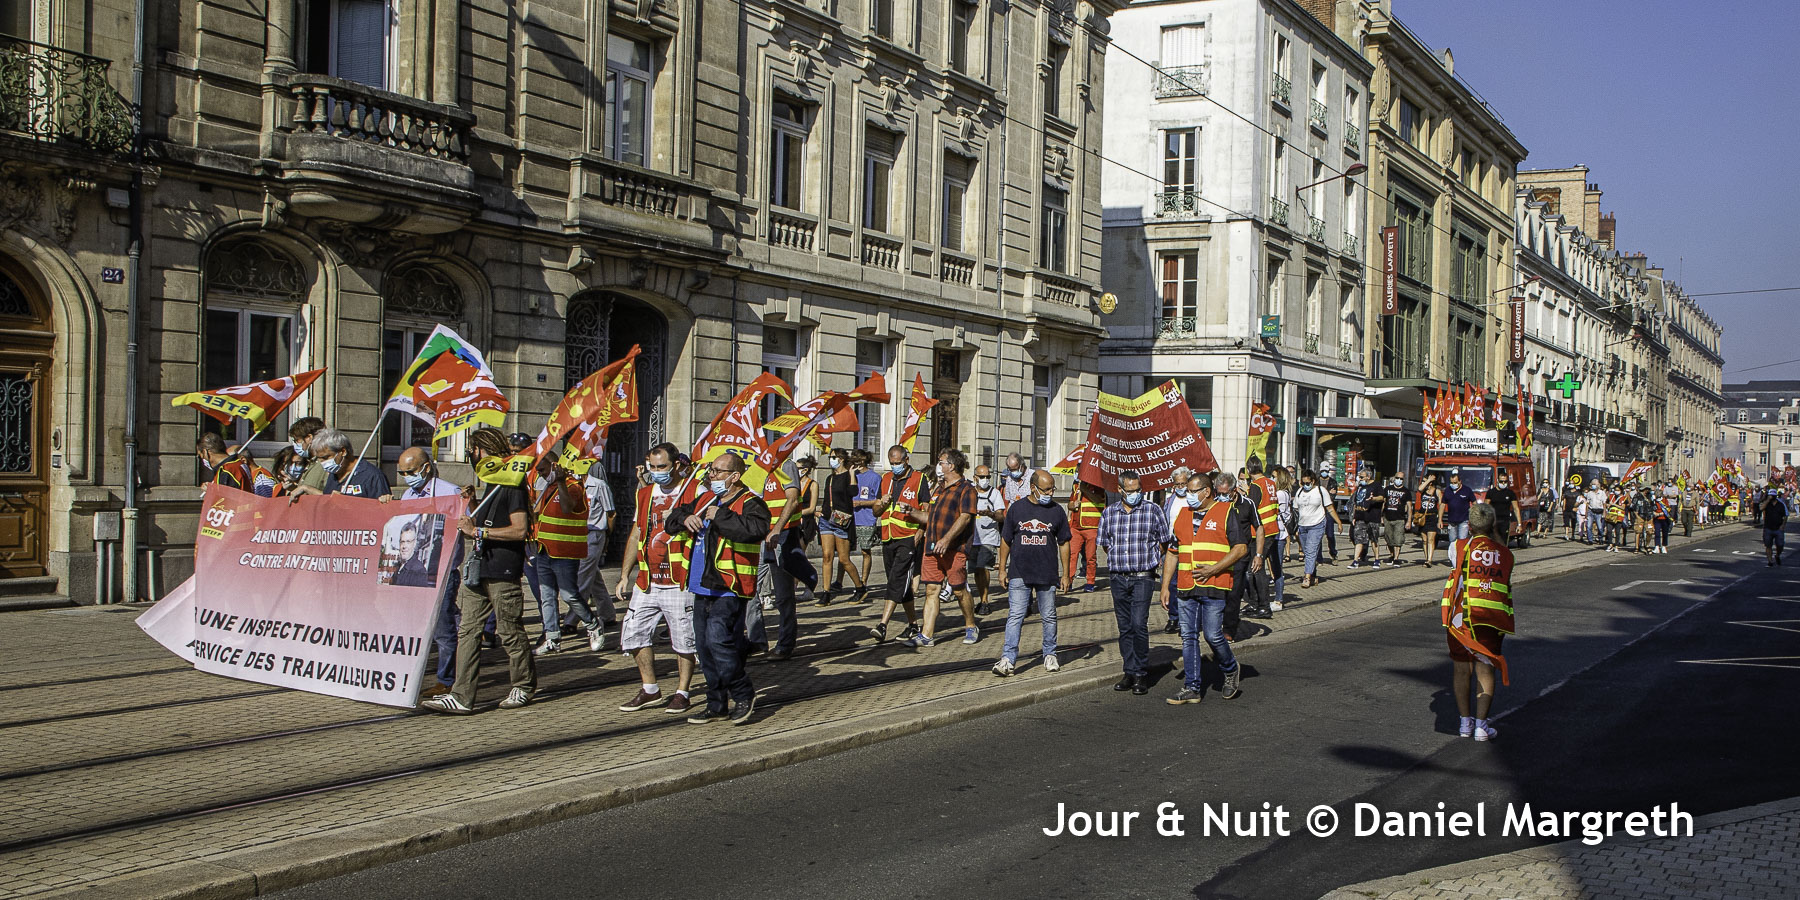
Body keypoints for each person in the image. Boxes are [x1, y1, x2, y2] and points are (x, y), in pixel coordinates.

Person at [423, 427, 536, 714]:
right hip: (478, 569)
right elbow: (484, 523)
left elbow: (519, 530)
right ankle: (462, 695)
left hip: (502, 570)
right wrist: (472, 504)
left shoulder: (511, 485)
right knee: (468, 631)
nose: (470, 457)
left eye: (471, 451)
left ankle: (523, 685)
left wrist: (477, 532)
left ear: (483, 451)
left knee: (509, 631)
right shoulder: (490, 486)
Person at [664, 452, 771, 725]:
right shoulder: (705, 500)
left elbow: (755, 530)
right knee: (704, 649)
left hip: (730, 587)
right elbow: (672, 519)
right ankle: (716, 704)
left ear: (734, 476)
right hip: (701, 586)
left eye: (718, 471)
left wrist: (720, 515)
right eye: (711, 470)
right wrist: (685, 519)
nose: (711, 476)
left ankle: (743, 693)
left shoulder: (750, 502)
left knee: (718, 641)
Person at [613, 443, 698, 715]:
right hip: (648, 580)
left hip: (679, 579)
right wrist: (625, 574)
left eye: (662, 466)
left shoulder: (693, 490)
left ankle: (682, 692)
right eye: (652, 466)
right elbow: (637, 532)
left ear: (676, 465)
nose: (656, 471)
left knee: (684, 639)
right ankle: (650, 688)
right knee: (633, 633)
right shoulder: (645, 493)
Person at [1161, 470, 1248, 705]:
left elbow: (1241, 548)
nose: (1187, 494)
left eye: (1192, 491)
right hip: (1186, 585)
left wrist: (1214, 569)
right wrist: (1165, 585)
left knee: (1212, 635)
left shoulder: (1226, 512)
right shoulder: (1183, 515)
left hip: (1214, 584)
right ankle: (1192, 687)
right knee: (1188, 637)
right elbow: (1173, 552)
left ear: (1206, 491)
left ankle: (1230, 668)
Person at [389, 447, 467, 700]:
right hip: (415, 576)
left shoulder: (450, 492)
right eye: (402, 473)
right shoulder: (409, 494)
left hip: (443, 573)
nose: (406, 477)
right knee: (412, 626)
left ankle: (446, 681)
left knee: (443, 630)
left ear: (425, 468)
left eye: (410, 471)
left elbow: (467, 525)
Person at [1441, 503, 1514, 743]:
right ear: (1492, 525)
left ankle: (1465, 723)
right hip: (1489, 618)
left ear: (1469, 526)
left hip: (1460, 618)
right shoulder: (1505, 554)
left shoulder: (1457, 547)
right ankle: (1481, 726)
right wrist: (1494, 533)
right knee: (1485, 668)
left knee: (1461, 668)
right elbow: (1505, 562)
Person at [1095, 470, 1169, 693]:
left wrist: (1151, 559)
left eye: (1138, 490)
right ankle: (1129, 670)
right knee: (1124, 626)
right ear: (1120, 490)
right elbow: (1105, 544)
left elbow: (1164, 541)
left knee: (1138, 624)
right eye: (1130, 490)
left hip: (1143, 576)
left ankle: (1140, 673)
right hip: (1118, 577)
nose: (1135, 494)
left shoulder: (1153, 510)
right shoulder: (1109, 513)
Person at [992, 469, 1071, 676]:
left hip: (1047, 573)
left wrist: (1066, 574)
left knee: (1049, 616)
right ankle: (1008, 659)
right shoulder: (1017, 509)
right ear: (1033, 488)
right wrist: (1002, 569)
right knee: (1015, 615)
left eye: (1052, 489)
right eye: (1046, 490)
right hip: (1019, 572)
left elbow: (1064, 543)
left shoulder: (1057, 511)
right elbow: (1006, 540)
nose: (1050, 493)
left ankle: (1050, 654)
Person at [526, 454, 604, 656]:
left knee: (569, 595)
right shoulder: (548, 488)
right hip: (544, 550)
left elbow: (567, 508)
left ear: (554, 466)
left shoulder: (573, 486)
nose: (541, 475)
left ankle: (593, 625)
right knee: (547, 596)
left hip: (565, 553)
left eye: (543, 470)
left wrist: (561, 481)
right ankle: (552, 637)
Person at [907, 448, 980, 647]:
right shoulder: (939, 489)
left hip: (955, 548)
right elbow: (929, 517)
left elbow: (965, 518)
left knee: (958, 590)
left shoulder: (966, 489)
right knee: (931, 589)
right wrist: (912, 512)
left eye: (941, 462)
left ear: (952, 466)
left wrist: (947, 540)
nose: (938, 466)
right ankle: (926, 635)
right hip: (932, 547)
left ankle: (971, 625)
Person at [872, 445, 929, 643]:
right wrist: (881, 503)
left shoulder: (919, 479)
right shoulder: (886, 479)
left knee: (896, 580)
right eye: (891, 463)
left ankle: (882, 624)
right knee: (899, 583)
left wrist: (920, 532)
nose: (894, 466)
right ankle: (913, 625)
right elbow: (876, 512)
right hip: (888, 537)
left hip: (908, 538)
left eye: (897, 463)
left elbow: (927, 511)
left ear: (906, 460)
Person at [1221, 471, 1269, 638]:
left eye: (1225, 493)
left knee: (1234, 593)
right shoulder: (1216, 504)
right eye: (1219, 493)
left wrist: (1259, 555)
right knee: (1220, 593)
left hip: (1241, 555)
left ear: (1234, 490)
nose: (1222, 497)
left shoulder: (1248, 504)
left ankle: (1229, 629)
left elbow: (1259, 528)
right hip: (1221, 555)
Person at [576, 459, 619, 633]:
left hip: (594, 534)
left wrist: (607, 537)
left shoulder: (599, 485)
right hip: (578, 535)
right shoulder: (574, 486)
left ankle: (572, 619)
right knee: (594, 577)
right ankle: (608, 614)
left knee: (582, 578)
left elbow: (611, 513)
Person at [816, 448, 863, 605]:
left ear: (841, 459)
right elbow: (827, 499)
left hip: (841, 521)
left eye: (833, 457)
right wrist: (819, 512)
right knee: (827, 556)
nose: (831, 460)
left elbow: (853, 492)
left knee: (844, 559)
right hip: (826, 520)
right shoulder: (830, 478)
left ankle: (860, 587)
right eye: (830, 457)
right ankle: (826, 592)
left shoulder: (848, 476)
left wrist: (852, 474)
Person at [1245, 458, 1284, 613]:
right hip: (1272, 528)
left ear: (1249, 470)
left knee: (1255, 568)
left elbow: (1251, 508)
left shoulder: (1256, 485)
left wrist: (1245, 493)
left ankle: (1261, 605)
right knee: (1256, 568)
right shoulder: (1270, 483)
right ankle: (1257, 603)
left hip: (1259, 531)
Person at [969, 464, 1008, 616]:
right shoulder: (970, 492)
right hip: (973, 537)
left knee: (983, 567)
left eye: (988, 477)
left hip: (989, 538)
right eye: (982, 477)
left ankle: (985, 601)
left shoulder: (994, 493)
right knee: (976, 570)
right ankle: (981, 598)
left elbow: (1001, 516)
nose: (985, 480)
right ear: (975, 478)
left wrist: (990, 514)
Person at [1293, 468, 1340, 589]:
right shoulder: (1300, 492)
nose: (1305, 485)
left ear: (1313, 481)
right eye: (1303, 483)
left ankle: (1307, 577)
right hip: (1303, 525)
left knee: (1310, 550)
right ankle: (1313, 575)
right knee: (1308, 552)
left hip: (1317, 524)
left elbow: (1330, 508)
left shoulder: (1321, 491)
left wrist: (1339, 522)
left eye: (1307, 483)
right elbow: (1296, 509)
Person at [311, 427, 390, 499]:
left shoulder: (372, 476)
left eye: (326, 457)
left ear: (343, 451)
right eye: (319, 459)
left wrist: (347, 502)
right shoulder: (334, 473)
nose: (323, 463)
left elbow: (381, 508)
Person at [1064, 481, 1105, 593]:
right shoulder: (1076, 486)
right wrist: (1073, 505)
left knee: (1090, 556)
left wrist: (1084, 489)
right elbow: (1069, 504)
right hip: (1075, 527)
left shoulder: (1099, 486)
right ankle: (1068, 580)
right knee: (1071, 555)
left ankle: (1090, 582)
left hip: (1091, 526)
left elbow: (1098, 499)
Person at [851, 450, 882, 590]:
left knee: (865, 551)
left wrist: (861, 503)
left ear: (864, 460)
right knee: (844, 553)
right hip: (850, 519)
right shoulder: (852, 475)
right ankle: (839, 580)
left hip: (866, 519)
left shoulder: (874, 477)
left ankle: (864, 581)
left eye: (858, 459)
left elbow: (878, 500)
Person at [1347, 469, 1386, 569]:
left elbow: (1382, 498)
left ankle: (1376, 559)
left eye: (1361, 477)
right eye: (1359, 477)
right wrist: (1355, 516)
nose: (1359, 479)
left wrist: (1374, 499)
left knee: (1374, 539)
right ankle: (1355, 561)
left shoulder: (1376, 485)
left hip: (1372, 516)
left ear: (1368, 477)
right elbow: (1356, 502)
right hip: (1360, 516)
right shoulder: (1360, 486)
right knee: (1358, 539)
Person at [286, 416, 329, 496]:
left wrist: (306, 489)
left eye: (297, 440)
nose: (296, 444)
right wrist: (294, 488)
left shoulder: (327, 464)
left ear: (309, 438)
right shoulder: (311, 462)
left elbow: (332, 497)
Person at [1441, 471, 1476, 562]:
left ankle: (1461, 560)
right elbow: (1442, 505)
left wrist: (1474, 517)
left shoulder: (1467, 490)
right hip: (1451, 521)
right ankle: (1453, 560)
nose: (1453, 484)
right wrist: (1440, 520)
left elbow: (1474, 503)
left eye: (1455, 482)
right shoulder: (1448, 490)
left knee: (1462, 541)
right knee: (1452, 542)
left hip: (1463, 520)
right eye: (1451, 483)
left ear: (1460, 481)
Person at [1382, 474, 1412, 566]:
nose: (1399, 480)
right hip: (1388, 518)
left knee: (1398, 539)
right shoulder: (1387, 489)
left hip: (1400, 518)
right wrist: (1381, 516)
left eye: (1401, 478)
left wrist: (1409, 520)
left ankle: (1396, 558)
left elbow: (1409, 507)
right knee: (1389, 538)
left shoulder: (1406, 491)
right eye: (1397, 478)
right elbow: (1383, 503)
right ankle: (1392, 555)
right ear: (1394, 478)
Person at [1416, 473, 1444, 567]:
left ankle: (1429, 560)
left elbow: (1441, 505)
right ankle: (1426, 558)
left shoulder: (1437, 491)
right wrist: (1428, 480)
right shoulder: (1423, 490)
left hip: (1432, 517)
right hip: (1423, 517)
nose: (1423, 483)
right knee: (1424, 540)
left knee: (1431, 539)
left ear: (1431, 483)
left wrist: (1440, 519)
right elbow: (1419, 489)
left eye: (1425, 481)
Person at [1488, 473, 1522, 549]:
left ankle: (1502, 554)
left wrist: (1519, 524)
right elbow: (1485, 507)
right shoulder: (1491, 492)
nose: (1503, 483)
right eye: (1501, 481)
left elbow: (1516, 508)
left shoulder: (1510, 493)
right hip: (1493, 521)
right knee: (1492, 543)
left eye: (1505, 481)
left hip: (1505, 521)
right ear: (1497, 481)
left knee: (1503, 543)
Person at [1762, 488, 1788, 567]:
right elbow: (1761, 508)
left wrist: (1783, 525)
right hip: (1768, 528)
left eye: (1773, 496)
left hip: (1778, 528)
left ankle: (1777, 555)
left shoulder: (1781, 504)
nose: (1772, 497)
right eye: (1770, 495)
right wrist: (1767, 500)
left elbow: (1785, 515)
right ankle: (1770, 561)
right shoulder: (1767, 504)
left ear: (1776, 496)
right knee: (1768, 545)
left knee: (1780, 545)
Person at [1632, 487, 1656, 554]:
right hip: (1640, 515)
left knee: (1650, 532)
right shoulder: (1637, 496)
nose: (1648, 491)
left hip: (1649, 516)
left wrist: (1654, 513)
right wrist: (1636, 515)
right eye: (1647, 489)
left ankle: (1647, 545)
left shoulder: (1650, 496)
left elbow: (1654, 505)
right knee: (1638, 531)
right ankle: (1636, 547)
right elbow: (1633, 506)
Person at [1653, 487, 1675, 554]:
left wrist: (1661, 513)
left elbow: (1668, 509)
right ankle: (1657, 546)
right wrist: (1654, 513)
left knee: (1665, 533)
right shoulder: (1654, 501)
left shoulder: (1665, 501)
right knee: (1657, 533)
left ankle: (1664, 546)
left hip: (1664, 519)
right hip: (1657, 519)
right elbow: (1652, 509)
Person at [1584, 481, 1608, 545]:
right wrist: (1586, 512)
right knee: (1589, 526)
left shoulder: (1602, 493)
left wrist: (1604, 512)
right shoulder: (1590, 493)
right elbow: (1587, 503)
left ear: (1598, 485)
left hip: (1599, 511)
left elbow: (1604, 503)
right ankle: (1590, 540)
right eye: (1592, 484)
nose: (1593, 485)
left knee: (1600, 527)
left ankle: (1600, 539)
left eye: (1595, 484)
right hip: (1591, 511)